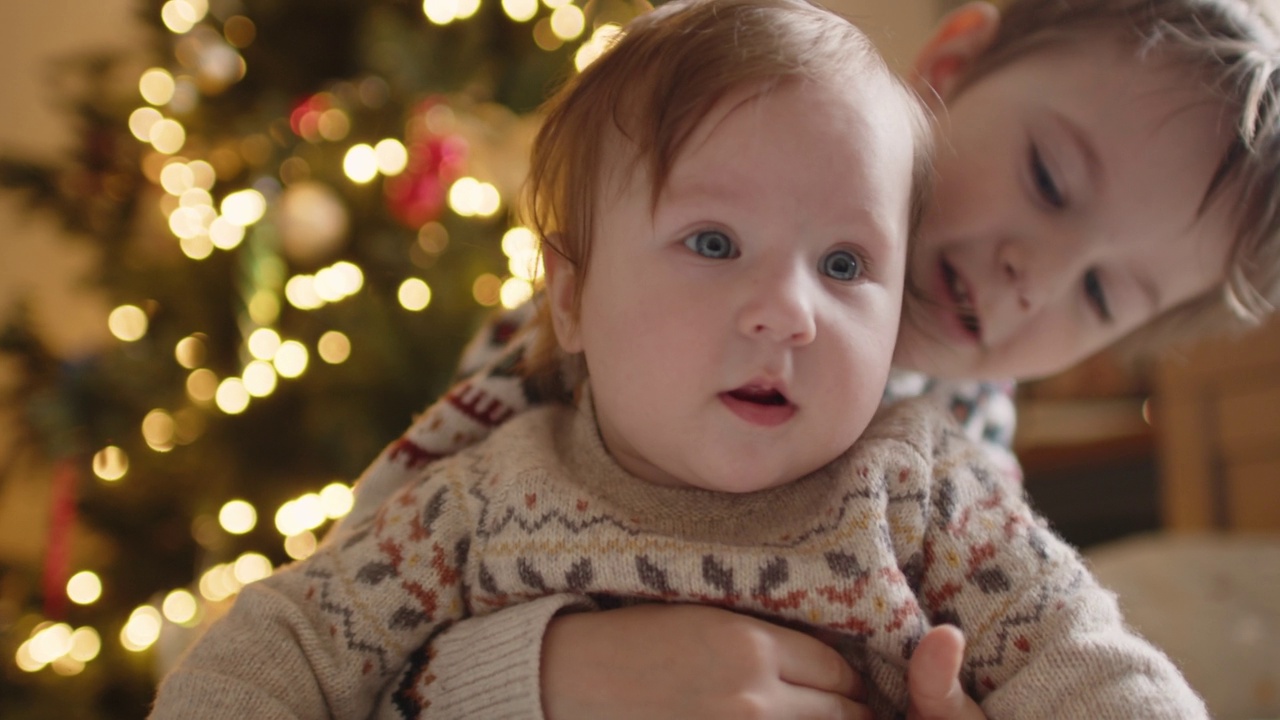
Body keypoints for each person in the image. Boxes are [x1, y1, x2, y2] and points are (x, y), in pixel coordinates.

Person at [151, 1, 1211, 718]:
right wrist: (536, 678)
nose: (786, 312)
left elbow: (1084, 664)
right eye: (1047, 179)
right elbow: (297, 639)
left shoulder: (940, 489)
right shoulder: (499, 467)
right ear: (572, 295)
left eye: (844, 265)